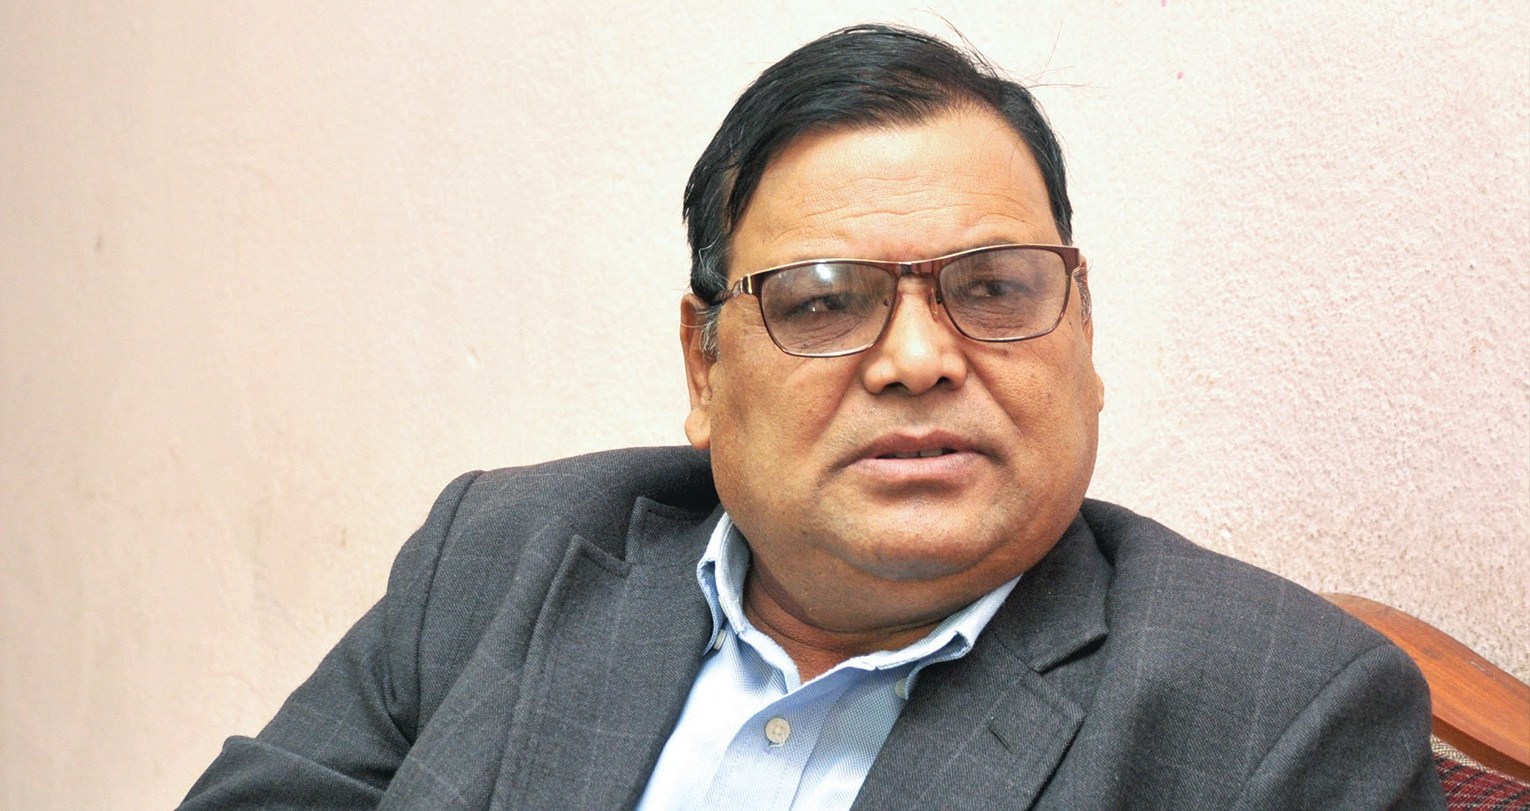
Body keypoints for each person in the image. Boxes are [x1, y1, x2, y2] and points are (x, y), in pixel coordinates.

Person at [182, 24, 1444, 809]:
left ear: (1084, 335)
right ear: (704, 367)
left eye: (993, 289)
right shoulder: (503, 555)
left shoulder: (1279, 713)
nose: (919, 359)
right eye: (826, 302)